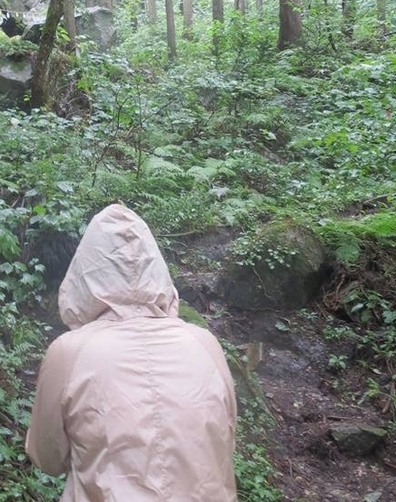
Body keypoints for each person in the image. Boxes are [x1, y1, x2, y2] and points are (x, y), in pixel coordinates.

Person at [26, 203, 238, 502]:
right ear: (157, 270)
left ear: (84, 273)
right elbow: (223, 443)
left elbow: (47, 458)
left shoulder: (70, 353)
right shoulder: (205, 344)